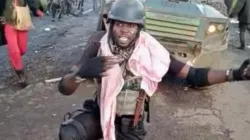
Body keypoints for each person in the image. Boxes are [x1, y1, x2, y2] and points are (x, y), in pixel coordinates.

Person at [58, 0, 250, 140]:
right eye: (120, 24)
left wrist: (234, 74)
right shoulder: (98, 43)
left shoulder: (151, 49)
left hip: (130, 124)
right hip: (100, 113)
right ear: (111, 24)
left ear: (139, 28)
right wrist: (80, 73)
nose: (125, 30)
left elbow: (194, 75)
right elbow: (64, 88)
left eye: (131, 25)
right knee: (68, 133)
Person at [0, 0, 44, 88]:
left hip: (22, 21)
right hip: (9, 24)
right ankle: (20, 73)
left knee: (22, 49)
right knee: (14, 50)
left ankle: (15, 59)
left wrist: (36, 10)